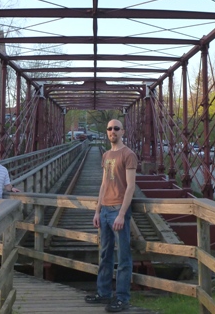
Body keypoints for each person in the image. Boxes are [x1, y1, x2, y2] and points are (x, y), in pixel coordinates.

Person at [85, 119, 137, 313]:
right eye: (109, 128)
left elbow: (131, 186)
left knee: (123, 256)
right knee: (105, 254)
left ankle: (122, 298)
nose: (112, 131)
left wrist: (122, 214)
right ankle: (104, 293)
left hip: (118, 210)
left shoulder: (128, 154)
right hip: (105, 209)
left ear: (122, 131)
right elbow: (104, 184)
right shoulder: (106, 155)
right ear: (106, 132)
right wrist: (97, 210)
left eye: (116, 128)